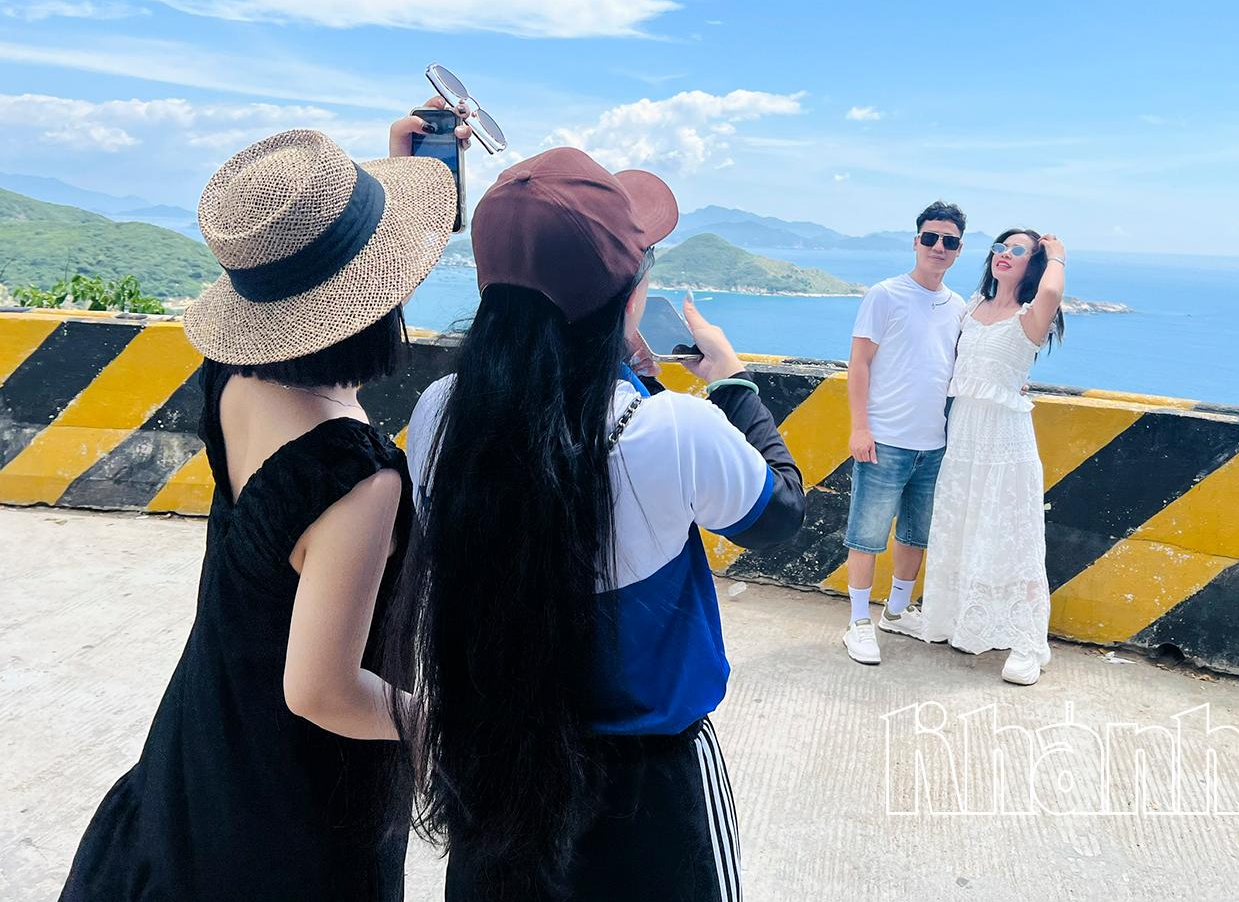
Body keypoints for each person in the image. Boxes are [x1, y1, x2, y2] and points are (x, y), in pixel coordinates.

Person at [59, 109, 461, 900]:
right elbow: (322, 689)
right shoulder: (358, 479)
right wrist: (448, 729)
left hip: (202, 743)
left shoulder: (234, 372)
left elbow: (324, 336)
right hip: (292, 808)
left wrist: (390, 207)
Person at [395, 146, 805, 900]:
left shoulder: (439, 417)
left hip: (495, 768)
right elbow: (779, 510)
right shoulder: (670, 431)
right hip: (649, 794)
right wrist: (733, 382)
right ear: (627, 296)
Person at [913, 228, 1066, 685]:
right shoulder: (972, 308)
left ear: (1033, 263)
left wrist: (1057, 253)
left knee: (1012, 535)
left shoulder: (1031, 314)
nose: (1004, 255)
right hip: (963, 436)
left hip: (1006, 439)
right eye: (1000, 247)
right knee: (960, 523)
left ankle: (1027, 641)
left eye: (1018, 251)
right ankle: (957, 619)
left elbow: (1054, 290)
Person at [840, 201, 969, 666]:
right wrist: (860, 427)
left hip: (934, 444)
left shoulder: (958, 307)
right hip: (885, 439)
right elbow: (859, 363)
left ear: (958, 250)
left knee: (916, 534)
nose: (938, 247)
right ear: (916, 242)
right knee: (867, 534)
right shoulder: (885, 294)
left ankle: (896, 611)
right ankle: (857, 621)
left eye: (948, 241)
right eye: (930, 238)